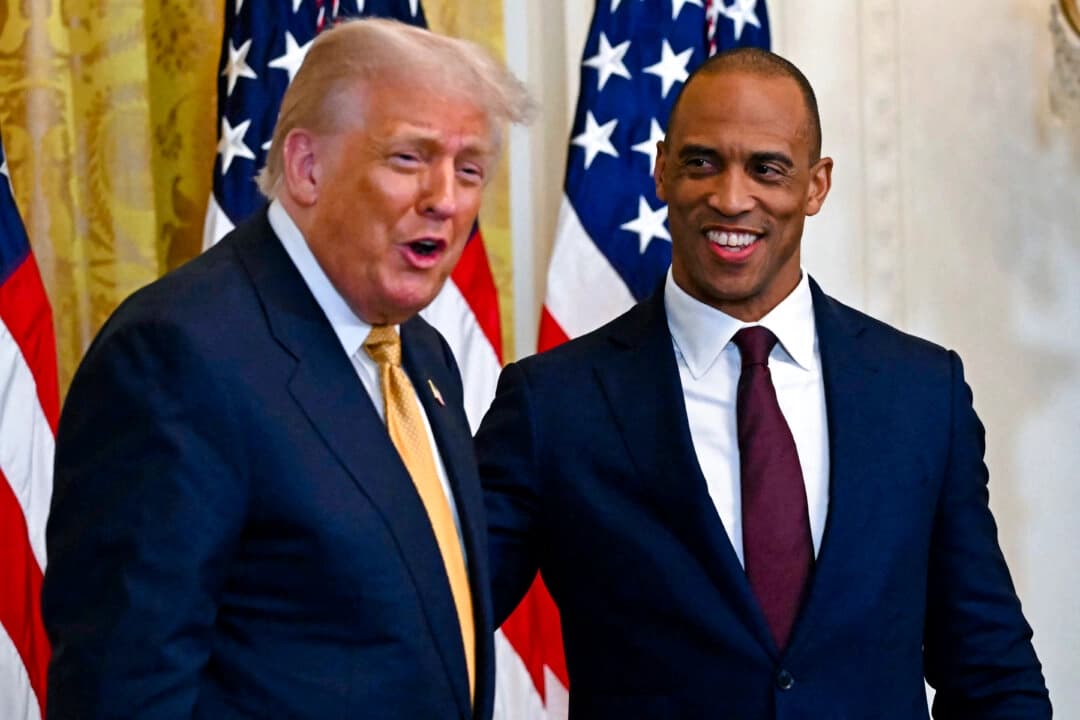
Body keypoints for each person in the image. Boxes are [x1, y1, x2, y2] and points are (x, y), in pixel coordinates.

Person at [475, 48, 1051, 718]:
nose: (730, 197)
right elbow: (434, 625)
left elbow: (990, 670)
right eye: (702, 162)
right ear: (661, 169)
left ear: (816, 184)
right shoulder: (553, 404)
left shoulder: (923, 393)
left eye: (767, 169)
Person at [43, 18, 531, 720]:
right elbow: (124, 687)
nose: (446, 199)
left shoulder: (422, 354)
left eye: (469, 168)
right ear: (306, 167)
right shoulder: (177, 356)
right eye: (408, 158)